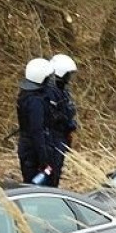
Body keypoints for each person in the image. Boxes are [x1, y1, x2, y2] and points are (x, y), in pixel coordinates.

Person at [16, 58, 57, 185]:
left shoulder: (25, 94)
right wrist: (44, 159)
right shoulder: (35, 101)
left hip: (28, 147)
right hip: (33, 151)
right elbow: (37, 130)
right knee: (37, 185)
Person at [47, 53, 79, 187]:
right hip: (53, 139)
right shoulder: (50, 92)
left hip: (61, 138)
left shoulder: (63, 91)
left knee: (56, 173)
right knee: (49, 173)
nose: (69, 78)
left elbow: (68, 112)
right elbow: (55, 116)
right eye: (68, 74)